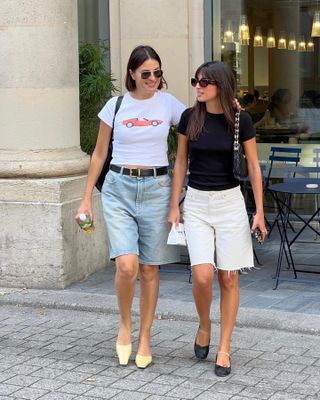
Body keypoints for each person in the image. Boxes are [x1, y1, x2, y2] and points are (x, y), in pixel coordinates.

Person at [76, 45, 185, 369]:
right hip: (119, 188)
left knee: (150, 268)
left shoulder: (169, 104)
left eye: (158, 73)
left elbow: (199, 122)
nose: (153, 79)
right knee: (127, 265)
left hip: (157, 189)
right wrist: (85, 198)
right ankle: (125, 325)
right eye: (146, 74)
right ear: (132, 74)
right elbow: (98, 154)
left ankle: (146, 336)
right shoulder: (116, 105)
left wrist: (230, 107)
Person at [168, 61, 267, 377]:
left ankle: (224, 347)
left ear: (221, 86)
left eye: (205, 81)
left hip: (230, 205)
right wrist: (174, 205)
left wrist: (260, 213)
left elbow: (253, 166)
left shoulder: (241, 119)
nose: (198, 85)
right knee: (202, 276)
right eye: (195, 80)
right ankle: (204, 323)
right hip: (196, 203)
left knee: (229, 278)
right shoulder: (189, 117)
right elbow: (180, 162)